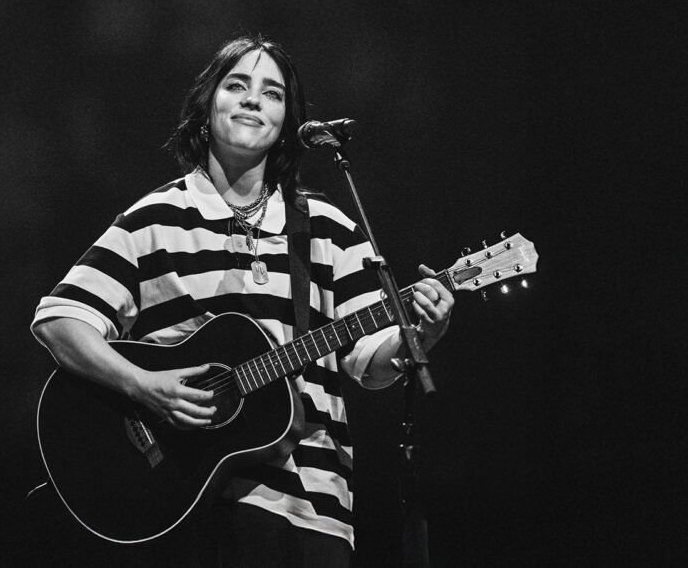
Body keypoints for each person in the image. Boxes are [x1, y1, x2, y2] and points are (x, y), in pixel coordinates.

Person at [30, 35, 454, 567]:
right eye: (237, 85)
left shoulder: (329, 229)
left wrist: (420, 334)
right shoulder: (154, 219)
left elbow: (370, 364)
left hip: (313, 511)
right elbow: (59, 320)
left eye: (272, 93)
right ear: (207, 110)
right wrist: (145, 386)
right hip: (185, 508)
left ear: (285, 123)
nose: (254, 99)